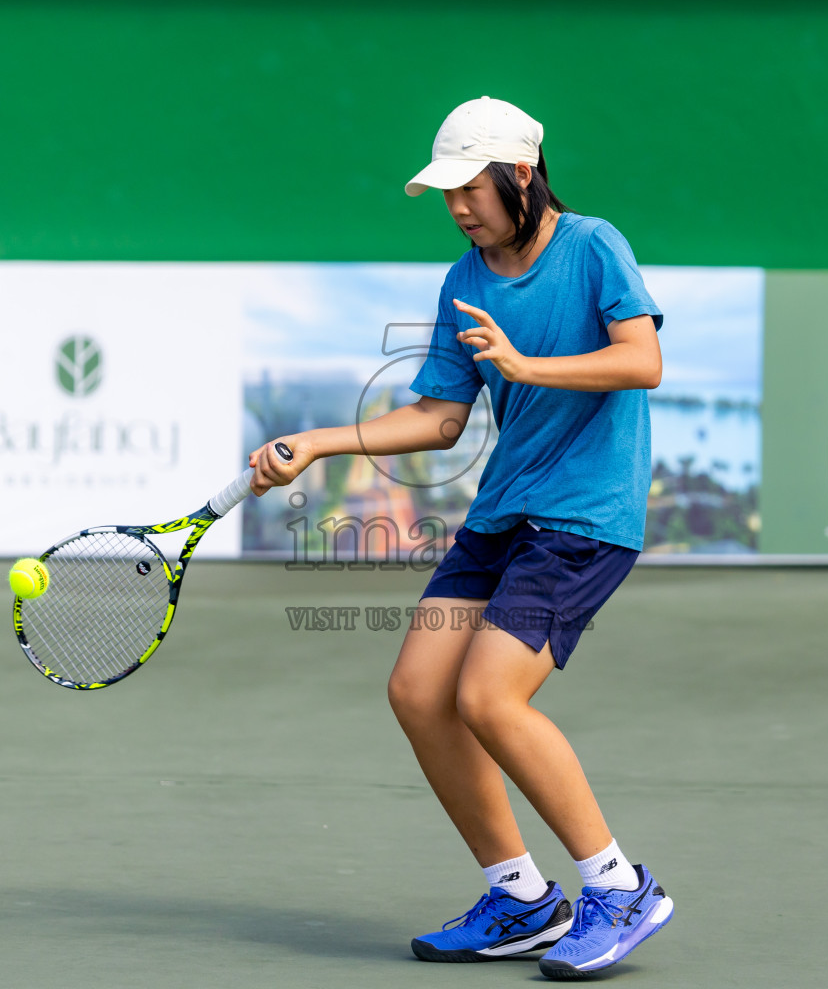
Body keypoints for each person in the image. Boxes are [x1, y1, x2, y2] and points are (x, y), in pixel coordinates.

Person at [247, 95, 672, 979]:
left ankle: (618, 886)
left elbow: (642, 361)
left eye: (470, 189)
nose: (458, 209)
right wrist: (318, 443)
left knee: (489, 696)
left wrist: (524, 365)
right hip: (501, 518)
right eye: (447, 195)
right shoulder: (463, 280)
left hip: (584, 520)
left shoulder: (595, 246)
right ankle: (521, 899)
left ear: (521, 174)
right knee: (417, 691)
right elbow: (441, 420)